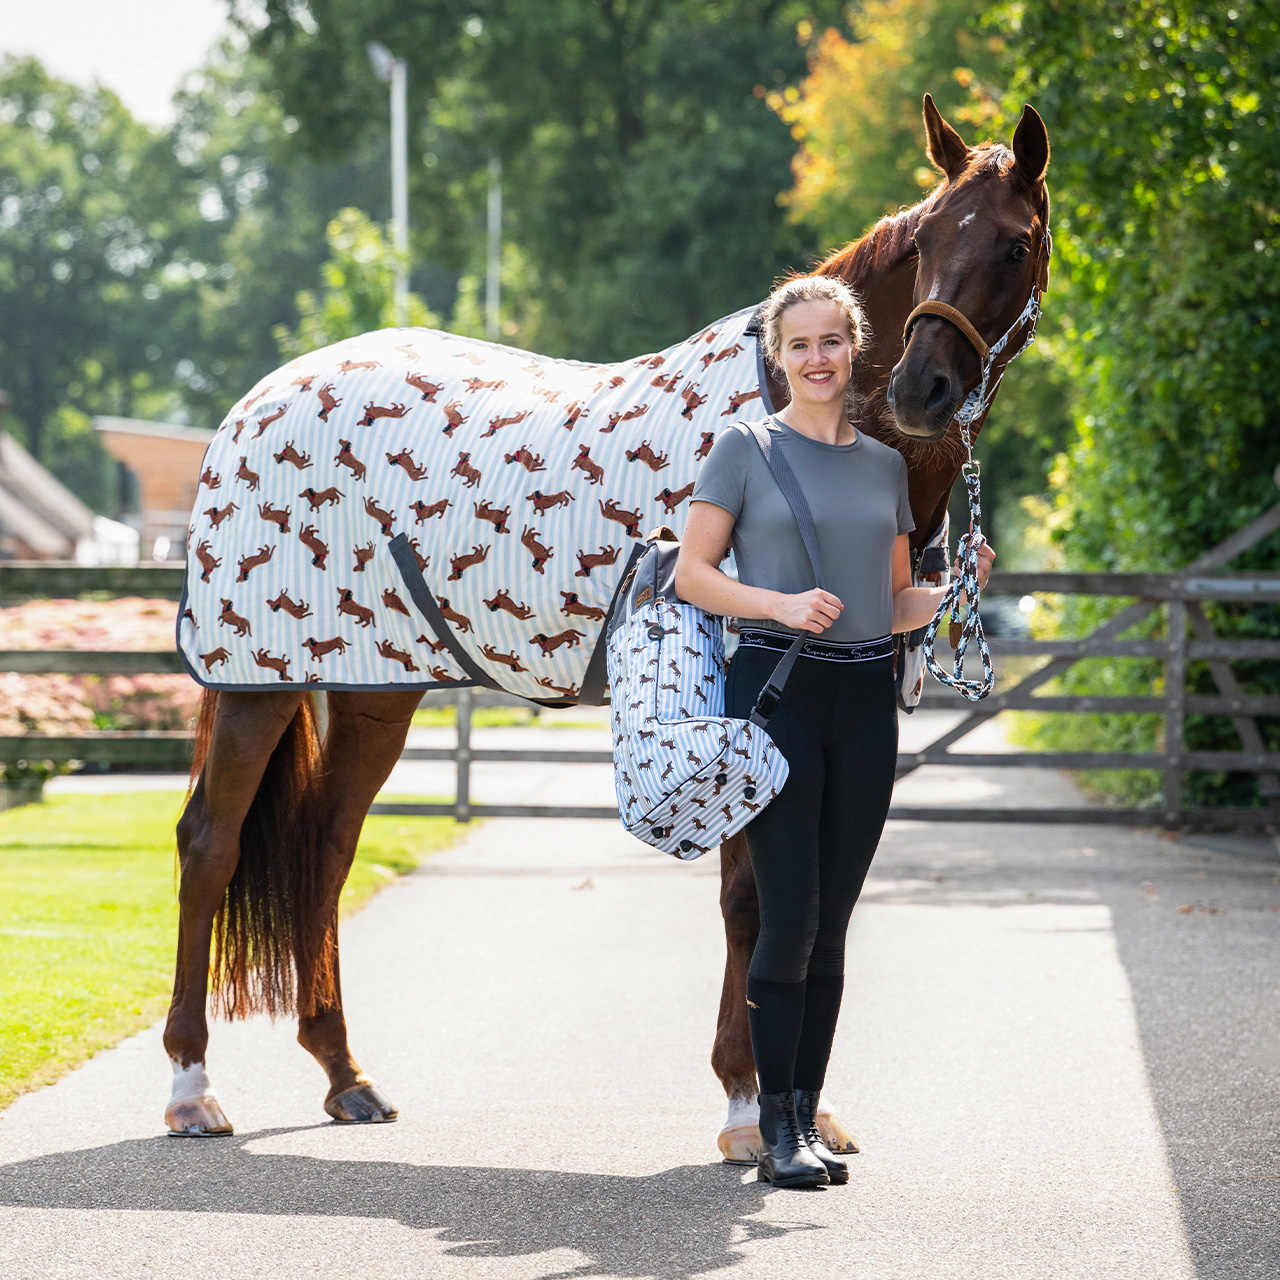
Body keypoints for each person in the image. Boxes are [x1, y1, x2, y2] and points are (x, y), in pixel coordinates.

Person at [674, 275, 995, 1188]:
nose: (818, 359)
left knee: (834, 926)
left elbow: (893, 605)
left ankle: (804, 1115)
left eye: (833, 342)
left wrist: (957, 586)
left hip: (861, 705)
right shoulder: (744, 448)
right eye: (800, 344)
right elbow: (694, 574)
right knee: (785, 915)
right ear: (779, 357)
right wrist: (774, 601)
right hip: (774, 693)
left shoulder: (885, 467)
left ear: (859, 350)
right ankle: (775, 1128)